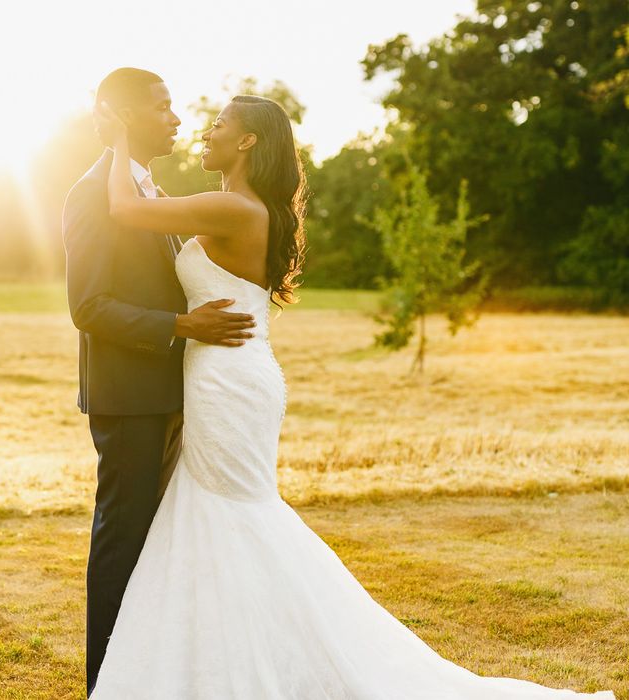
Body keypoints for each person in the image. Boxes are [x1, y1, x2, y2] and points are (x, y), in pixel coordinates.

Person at [87, 85, 616, 698]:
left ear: (248, 140)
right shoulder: (237, 205)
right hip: (230, 371)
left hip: (228, 379)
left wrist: (120, 134)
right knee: (221, 513)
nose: (207, 131)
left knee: (234, 515)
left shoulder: (234, 209)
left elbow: (125, 209)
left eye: (220, 124)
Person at [61, 67, 257, 698]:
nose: (176, 118)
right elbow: (88, 306)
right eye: (162, 107)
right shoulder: (92, 194)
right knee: (123, 543)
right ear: (121, 118)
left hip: (170, 395)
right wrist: (181, 324)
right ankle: (106, 684)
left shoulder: (150, 190)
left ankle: (148, 676)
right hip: (129, 399)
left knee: (157, 544)